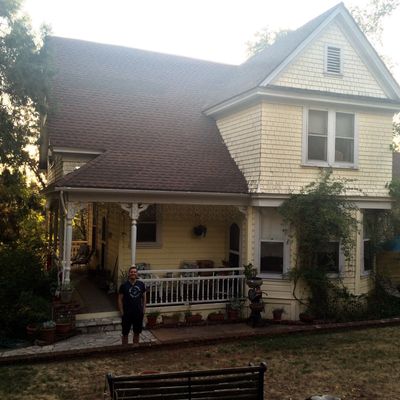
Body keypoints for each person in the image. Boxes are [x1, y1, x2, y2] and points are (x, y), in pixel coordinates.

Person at [118, 265, 147, 345]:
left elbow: (144, 298)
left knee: (137, 333)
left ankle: (135, 347)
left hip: (138, 312)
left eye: (134, 272)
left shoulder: (141, 284)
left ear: (137, 274)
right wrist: (122, 312)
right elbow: (120, 299)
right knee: (125, 333)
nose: (133, 273)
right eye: (131, 272)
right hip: (127, 313)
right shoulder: (124, 285)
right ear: (129, 274)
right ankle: (125, 349)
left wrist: (144, 309)